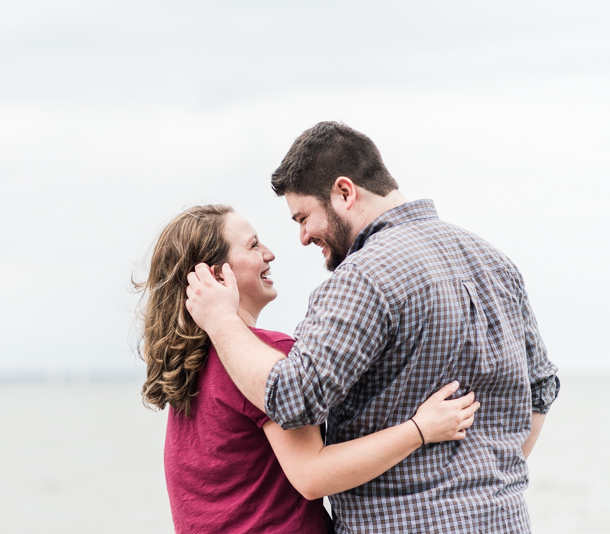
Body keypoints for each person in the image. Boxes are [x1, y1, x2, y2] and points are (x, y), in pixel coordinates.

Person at [185, 122, 560, 533]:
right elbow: (540, 390)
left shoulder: (364, 278)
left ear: (345, 192)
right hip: (504, 520)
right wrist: (482, 482)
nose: (303, 237)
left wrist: (221, 322)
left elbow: (292, 399)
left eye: (304, 217)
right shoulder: (495, 263)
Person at [137, 204, 480, 534]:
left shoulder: (192, 364)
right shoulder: (264, 355)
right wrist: (421, 429)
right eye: (253, 245)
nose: (269, 253)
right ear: (214, 276)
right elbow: (312, 474)